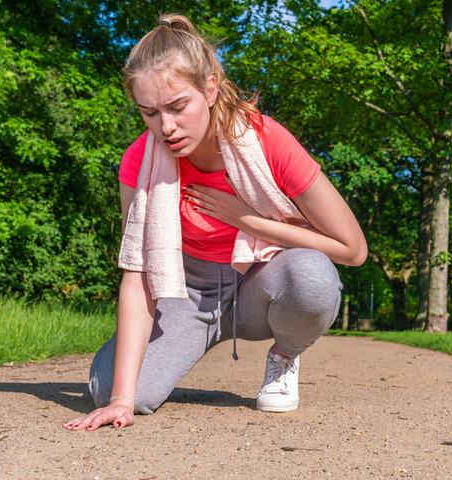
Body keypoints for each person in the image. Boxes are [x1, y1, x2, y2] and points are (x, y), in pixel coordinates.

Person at [63, 13, 366, 432]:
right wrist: (121, 398)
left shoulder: (267, 140)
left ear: (209, 88)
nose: (165, 127)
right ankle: (166, 351)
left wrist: (250, 221)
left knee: (312, 278)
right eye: (148, 112)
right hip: (184, 293)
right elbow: (138, 273)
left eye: (176, 107)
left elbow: (353, 250)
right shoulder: (140, 160)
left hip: (260, 281)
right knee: (115, 391)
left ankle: (283, 357)